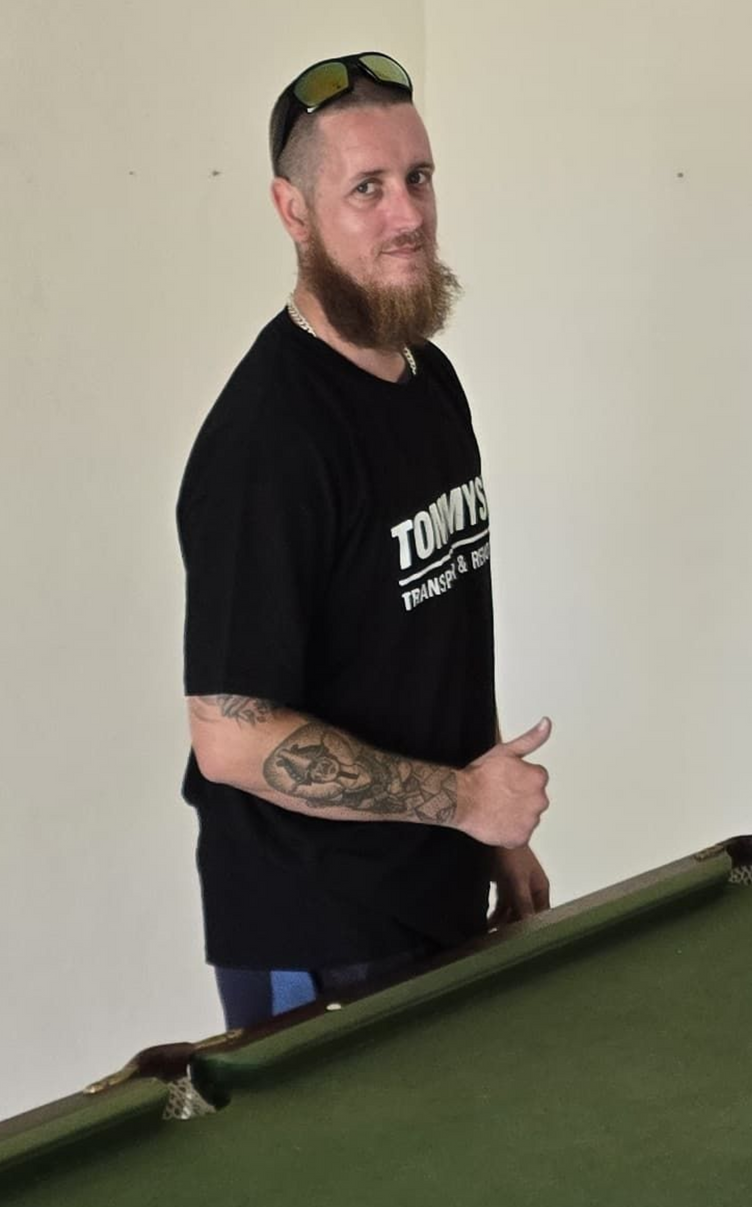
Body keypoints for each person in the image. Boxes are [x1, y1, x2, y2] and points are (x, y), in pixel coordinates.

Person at [177, 52, 552, 1029]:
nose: (408, 215)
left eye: (418, 178)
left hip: (436, 888)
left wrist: (494, 833)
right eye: (367, 189)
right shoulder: (269, 441)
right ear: (292, 211)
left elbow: (437, 637)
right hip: (314, 927)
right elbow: (230, 737)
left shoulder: (429, 382)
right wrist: (467, 803)